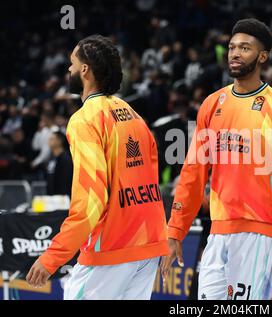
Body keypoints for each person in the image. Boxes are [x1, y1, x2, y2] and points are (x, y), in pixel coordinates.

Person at [161, 19, 272, 300]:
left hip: (259, 231)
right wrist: (175, 229)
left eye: (245, 48)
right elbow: (192, 173)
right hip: (218, 228)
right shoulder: (212, 104)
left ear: (262, 56)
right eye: (232, 47)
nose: (235, 53)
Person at [26, 35, 169, 300]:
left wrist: (53, 256)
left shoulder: (84, 120)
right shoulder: (133, 115)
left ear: (84, 69)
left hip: (112, 248)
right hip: (149, 243)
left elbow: (91, 201)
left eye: (72, 62)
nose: (68, 69)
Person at [46, 131, 73, 197]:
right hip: (52, 197)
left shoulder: (65, 159)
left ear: (59, 141)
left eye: (52, 139)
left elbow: (67, 179)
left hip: (62, 198)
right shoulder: (52, 158)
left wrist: (63, 196)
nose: (49, 140)